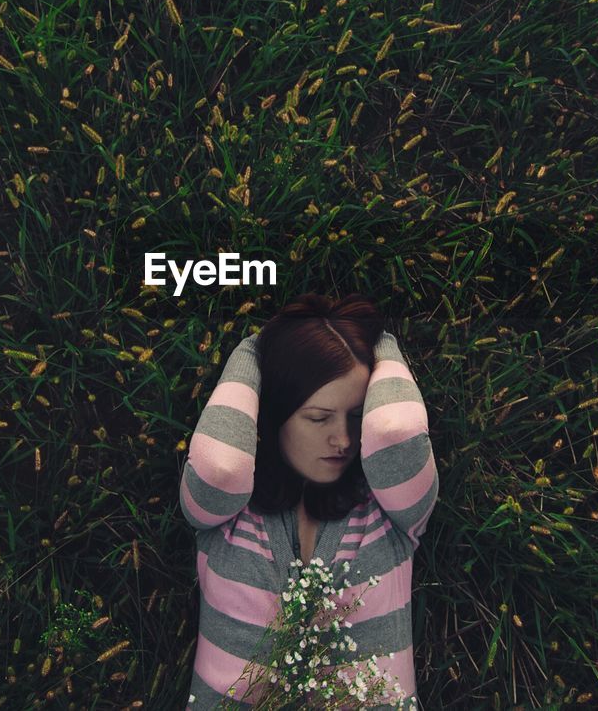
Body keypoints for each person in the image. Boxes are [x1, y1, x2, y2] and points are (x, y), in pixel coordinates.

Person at [180, 293, 438, 709]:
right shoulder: (225, 517)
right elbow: (220, 468)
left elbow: (394, 432)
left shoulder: (389, 513)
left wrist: (379, 341)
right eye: (318, 417)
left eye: (356, 416)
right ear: (275, 412)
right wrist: (255, 348)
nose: (343, 439)